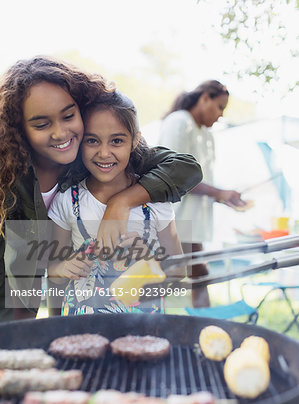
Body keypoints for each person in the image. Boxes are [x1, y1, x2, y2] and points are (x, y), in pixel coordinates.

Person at [0, 56, 202, 322]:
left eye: (69, 116)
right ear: (19, 128)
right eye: (41, 124)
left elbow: (186, 168)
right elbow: (48, 274)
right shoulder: (14, 176)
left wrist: (122, 203)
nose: (61, 133)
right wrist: (54, 322)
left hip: (142, 322)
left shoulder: (94, 159)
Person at [47, 90, 184, 315]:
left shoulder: (156, 202)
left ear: (135, 141)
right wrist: (63, 268)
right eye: (92, 140)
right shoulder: (67, 201)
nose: (104, 153)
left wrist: (151, 261)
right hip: (81, 329)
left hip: (142, 331)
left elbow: (179, 272)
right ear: (80, 141)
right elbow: (53, 272)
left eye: (117, 141)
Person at [158, 80, 249, 308]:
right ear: (204, 97)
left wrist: (223, 197)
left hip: (191, 223)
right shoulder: (179, 121)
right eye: (219, 107)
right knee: (160, 278)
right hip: (172, 219)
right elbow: (176, 174)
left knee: (199, 273)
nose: (220, 116)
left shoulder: (206, 134)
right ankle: (145, 327)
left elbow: (201, 181)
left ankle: (205, 325)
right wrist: (220, 192)